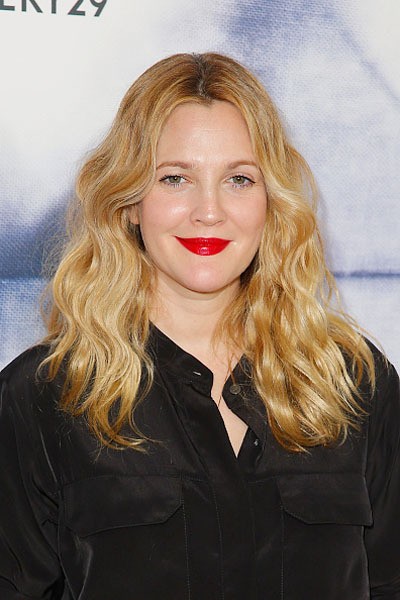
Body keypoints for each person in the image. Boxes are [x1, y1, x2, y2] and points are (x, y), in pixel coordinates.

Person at [0, 52, 399, 600]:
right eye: (175, 178)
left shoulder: (354, 383)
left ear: (271, 202)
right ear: (129, 203)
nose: (208, 210)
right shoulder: (43, 397)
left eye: (238, 179)